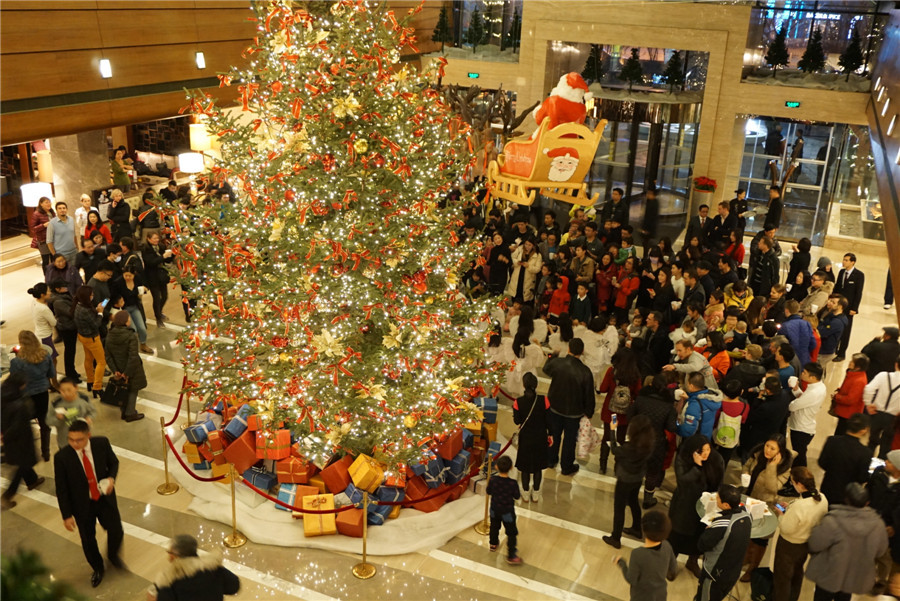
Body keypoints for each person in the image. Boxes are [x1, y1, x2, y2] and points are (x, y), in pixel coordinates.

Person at [54, 419, 125, 588]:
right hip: (81, 505)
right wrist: (66, 515)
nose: (74, 443)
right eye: (71, 439)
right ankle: (98, 568)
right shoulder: (62, 457)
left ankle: (113, 555)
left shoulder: (101, 443)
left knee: (116, 529)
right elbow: (61, 488)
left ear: (88, 436)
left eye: (79, 440)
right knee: (88, 539)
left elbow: (113, 462)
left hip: (104, 498)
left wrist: (111, 478)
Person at [806, 483, 888, 601]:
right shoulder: (878, 525)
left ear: (845, 499)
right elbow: (880, 551)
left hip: (828, 575)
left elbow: (815, 544)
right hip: (853, 577)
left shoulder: (832, 520)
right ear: (867, 503)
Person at [738, 434, 794, 581]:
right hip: (749, 498)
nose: (767, 450)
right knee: (747, 532)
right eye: (767, 446)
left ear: (779, 451)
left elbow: (772, 488)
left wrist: (772, 467)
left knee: (760, 539)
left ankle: (753, 568)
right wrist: (745, 473)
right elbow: (747, 466)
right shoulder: (758, 454)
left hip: (766, 505)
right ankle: (746, 557)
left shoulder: (784, 467)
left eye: (772, 448)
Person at [668, 434, 725, 578]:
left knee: (699, 538)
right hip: (684, 505)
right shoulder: (683, 458)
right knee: (677, 537)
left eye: (708, 449)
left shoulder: (716, 459)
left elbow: (718, 483)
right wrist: (697, 465)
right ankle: (671, 565)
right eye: (701, 451)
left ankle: (692, 561)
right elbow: (683, 481)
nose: (705, 454)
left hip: (705, 506)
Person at [772, 467, 829, 601]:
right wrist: (791, 507)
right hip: (805, 544)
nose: (792, 484)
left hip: (788, 546)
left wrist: (782, 514)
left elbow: (786, 528)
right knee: (797, 574)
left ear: (800, 484)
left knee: (782, 579)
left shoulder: (800, 506)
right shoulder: (822, 498)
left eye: (792, 482)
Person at [603, 414, 656, 549]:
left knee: (619, 507)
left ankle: (616, 537)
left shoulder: (629, 447)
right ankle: (637, 528)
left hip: (625, 479)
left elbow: (615, 449)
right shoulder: (648, 444)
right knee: (633, 501)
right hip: (638, 478)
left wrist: (612, 430)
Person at [544, 338, 595, 476]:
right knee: (570, 440)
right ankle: (566, 466)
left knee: (554, 435)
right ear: (582, 351)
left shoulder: (558, 364)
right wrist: (589, 411)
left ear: (568, 349)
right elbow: (589, 394)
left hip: (555, 407)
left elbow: (546, 369)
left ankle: (550, 460)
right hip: (574, 412)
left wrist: (552, 355)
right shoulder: (585, 371)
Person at [696, 484, 752, 601]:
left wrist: (709, 530)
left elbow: (702, 544)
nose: (716, 499)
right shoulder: (747, 516)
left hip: (715, 573)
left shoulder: (722, 524)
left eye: (718, 498)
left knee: (707, 596)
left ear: (726, 505)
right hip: (733, 570)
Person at [629, 374, 677, 509]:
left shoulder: (640, 399)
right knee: (652, 472)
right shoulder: (668, 406)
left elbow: (630, 416)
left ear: (651, 385)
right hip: (657, 443)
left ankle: (631, 497)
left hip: (638, 439)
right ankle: (648, 499)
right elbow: (671, 427)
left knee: (636, 469)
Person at [9, 330, 56, 462]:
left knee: (25, 424)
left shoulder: (17, 362)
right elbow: (52, 374)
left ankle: (29, 453)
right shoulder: (45, 355)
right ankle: (46, 452)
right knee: (44, 423)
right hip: (42, 394)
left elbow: (14, 381)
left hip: (26, 396)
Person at [147, 534, 240, 601]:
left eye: (169, 552)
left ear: (175, 555)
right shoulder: (212, 567)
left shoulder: (170, 579)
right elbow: (234, 586)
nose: (168, 557)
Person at [0, 373, 45, 510]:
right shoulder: (19, 404)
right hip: (21, 439)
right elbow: (18, 426)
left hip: (9, 437)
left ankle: (32, 480)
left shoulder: (4, 396)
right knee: (23, 463)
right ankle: (8, 495)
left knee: (23, 461)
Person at [613, 510, 677, 601]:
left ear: (644, 530)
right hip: (660, 595)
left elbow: (631, 579)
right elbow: (673, 570)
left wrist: (621, 563)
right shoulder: (667, 546)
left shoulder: (638, 554)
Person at [598, 348, 643, 474]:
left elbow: (603, 388)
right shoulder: (635, 375)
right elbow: (638, 393)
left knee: (607, 436)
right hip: (624, 414)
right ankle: (618, 466)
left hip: (611, 412)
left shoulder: (612, 372)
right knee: (621, 439)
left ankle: (603, 465)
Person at [818, 412, 872, 506]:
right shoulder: (865, 452)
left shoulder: (832, 441)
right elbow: (862, 477)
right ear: (864, 430)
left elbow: (821, 462)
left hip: (827, 487)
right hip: (847, 495)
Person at [513, 372, 551, 503]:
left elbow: (517, 421)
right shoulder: (544, 400)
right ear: (536, 385)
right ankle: (535, 493)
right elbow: (549, 420)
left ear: (523, 385)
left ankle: (525, 492)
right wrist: (550, 434)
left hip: (525, 439)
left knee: (524, 468)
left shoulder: (518, 402)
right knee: (537, 468)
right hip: (540, 437)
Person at [104, 311, 147, 422]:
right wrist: (127, 372)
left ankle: (124, 409)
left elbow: (108, 356)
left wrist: (115, 370)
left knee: (123, 389)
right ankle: (130, 413)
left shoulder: (110, 335)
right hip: (132, 369)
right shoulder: (130, 336)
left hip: (118, 367)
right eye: (128, 319)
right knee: (133, 389)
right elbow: (132, 356)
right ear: (125, 322)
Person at [788, 362, 827, 467]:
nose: (802, 374)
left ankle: (798, 479)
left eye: (804, 372)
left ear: (813, 377)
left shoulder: (814, 392)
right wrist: (796, 389)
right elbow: (804, 400)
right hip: (804, 425)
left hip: (801, 428)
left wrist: (793, 400)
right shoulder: (819, 386)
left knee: (799, 458)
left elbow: (792, 406)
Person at [487, 455, 522, 565]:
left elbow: (488, 491)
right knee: (511, 532)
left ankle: (493, 544)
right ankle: (511, 555)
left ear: (496, 467)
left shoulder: (493, 480)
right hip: (507, 511)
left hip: (494, 509)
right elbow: (516, 496)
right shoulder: (512, 483)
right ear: (511, 468)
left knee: (494, 526)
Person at [863, 355, 900, 459]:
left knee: (872, 441)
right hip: (894, 418)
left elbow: (869, 389)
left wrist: (868, 404)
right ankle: (879, 470)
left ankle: (867, 464)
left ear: (896, 364)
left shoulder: (883, 375)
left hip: (877, 414)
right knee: (887, 445)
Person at [72, 285, 107, 398]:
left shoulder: (78, 305)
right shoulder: (86, 310)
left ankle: (90, 381)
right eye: (91, 295)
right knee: (101, 362)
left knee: (88, 358)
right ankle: (97, 387)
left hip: (82, 336)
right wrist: (100, 313)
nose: (93, 296)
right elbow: (96, 324)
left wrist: (95, 311)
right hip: (92, 338)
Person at [112, 265, 153, 354]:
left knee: (142, 328)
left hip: (134, 306)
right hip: (124, 309)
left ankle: (143, 344)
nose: (127, 277)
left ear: (134, 275)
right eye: (125, 275)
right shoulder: (118, 282)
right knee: (133, 329)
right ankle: (132, 347)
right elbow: (113, 296)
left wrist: (144, 290)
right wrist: (119, 300)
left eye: (129, 276)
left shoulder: (137, 279)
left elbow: (144, 287)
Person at [47, 377, 96, 449]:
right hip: (65, 442)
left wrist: (89, 417)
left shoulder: (84, 398)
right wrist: (57, 418)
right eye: (62, 391)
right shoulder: (56, 403)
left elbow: (92, 411)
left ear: (76, 388)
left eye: (69, 390)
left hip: (82, 439)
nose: (66, 393)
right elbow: (48, 421)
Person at [833, 253, 865, 362]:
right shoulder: (842, 272)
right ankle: (835, 348)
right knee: (836, 326)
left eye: (846, 260)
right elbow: (837, 287)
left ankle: (842, 353)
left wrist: (854, 308)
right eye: (843, 260)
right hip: (839, 306)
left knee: (846, 331)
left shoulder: (859, 275)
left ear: (853, 262)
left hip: (849, 307)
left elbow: (858, 292)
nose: (844, 262)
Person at [49, 280, 80, 382]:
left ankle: (72, 372)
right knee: (70, 352)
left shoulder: (63, 296)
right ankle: (70, 374)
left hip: (70, 326)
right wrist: (76, 302)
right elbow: (70, 313)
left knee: (71, 351)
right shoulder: (58, 301)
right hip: (67, 328)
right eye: (64, 287)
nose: (66, 288)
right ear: (57, 289)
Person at [830, 355, 868, 435]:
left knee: (840, 433)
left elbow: (850, 399)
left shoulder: (859, 381)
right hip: (845, 412)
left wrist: (837, 397)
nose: (850, 363)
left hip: (848, 414)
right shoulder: (853, 373)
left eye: (852, 362)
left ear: (858, 367)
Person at [28, 281, 58, 364]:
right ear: (42, 295)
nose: (50, 292)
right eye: (48, 291)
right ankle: (52, 377)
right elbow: (54, 323)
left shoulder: (34, 302)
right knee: (52, 361)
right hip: (45, 337)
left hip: (39, 333)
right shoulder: (43, 309)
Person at [505, 237, 542, 303]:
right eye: (526, 244)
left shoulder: (537, 255)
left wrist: (528, 266)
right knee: (515, 295)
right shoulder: (520, 249)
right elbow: (512, 258)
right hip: (517, 276)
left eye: (529, 245)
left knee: (525, 298)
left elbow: (537, 269)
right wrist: (517, 262)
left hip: (528, 278)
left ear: (533, 245)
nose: (527, 246)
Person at [781, 300, 817, 366]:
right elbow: (813, 343)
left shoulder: (785, 326)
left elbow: (781, 347)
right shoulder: (807, 324)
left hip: (790, 362)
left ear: (786, 310)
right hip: (805, 359)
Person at [817, 295, 849, 368]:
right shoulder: (831, 314)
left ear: (840, 306)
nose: (829, 303)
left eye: (833, 302)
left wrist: (820, 327)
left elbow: (821, 332)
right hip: (822, 347)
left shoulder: (838, 322)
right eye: (830, 300)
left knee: (817, 371)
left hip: (825, 351)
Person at [30, 196, 55, 269]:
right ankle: (47, 277)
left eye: (49, 202)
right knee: (46, 261)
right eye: (46, 202)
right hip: (43, 241)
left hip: (53, 239)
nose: (49, 204)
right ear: (41, 204)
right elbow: (33, 229)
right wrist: (43, 225)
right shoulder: (36, 214)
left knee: (54, 258)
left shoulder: (51, 212)